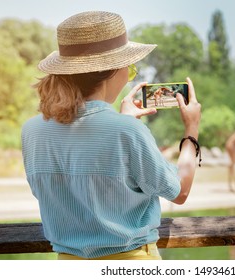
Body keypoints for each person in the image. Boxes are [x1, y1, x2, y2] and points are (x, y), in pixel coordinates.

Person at [21, 11, 201, 260]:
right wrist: (191, 130)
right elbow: (179, 192)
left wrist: (123, 122)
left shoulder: (32, 131)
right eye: (131, 68)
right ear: (115, 70)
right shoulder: (127, 131)